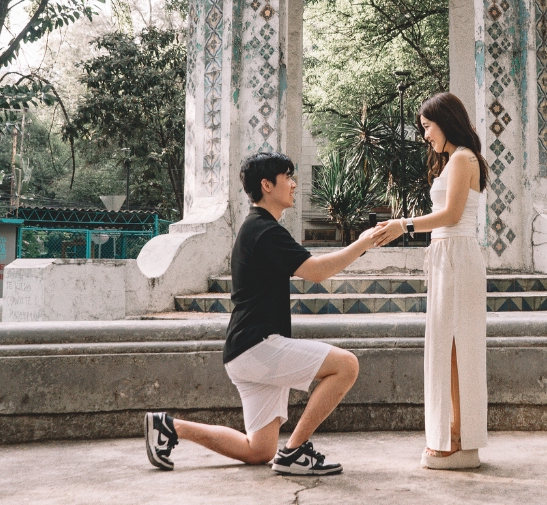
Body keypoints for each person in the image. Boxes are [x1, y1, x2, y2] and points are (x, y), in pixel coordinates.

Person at [144, 151, 382, 475]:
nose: (294, 184)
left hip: (244, 350)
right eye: (288, 177)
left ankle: (169, 427)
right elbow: (316, 272)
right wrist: (362, 244)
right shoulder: (264, 230)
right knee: (346, 366)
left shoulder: (257, 228)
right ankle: (295, 451)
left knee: (258, 449)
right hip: (257, 346)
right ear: (267, 185)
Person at [372, 92, 488, 470]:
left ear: (446, 121)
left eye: (427, 127)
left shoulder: (461, 158)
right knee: (449, 347)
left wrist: (402, 224)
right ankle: (455, 433)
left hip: (455, 254)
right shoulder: (458, 159)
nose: (424, 136)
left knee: (455, 347)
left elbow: (452, 215)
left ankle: (456, 436)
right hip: (450, 256)